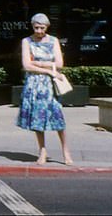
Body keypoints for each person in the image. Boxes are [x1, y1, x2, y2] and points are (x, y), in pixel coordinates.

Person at [16, 13, 73, 165]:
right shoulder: (26, 41)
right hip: (34, 84)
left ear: (47, 27)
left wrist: (39, 64)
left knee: (57, 117)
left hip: (50, 85)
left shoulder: (54, 41)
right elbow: (27, 65)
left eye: (42, 28)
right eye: (36, 27)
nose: (39, 31)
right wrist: (48, 68)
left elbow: (60, 64)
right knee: (38, 118)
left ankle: (65, 151)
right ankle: (42, 150)